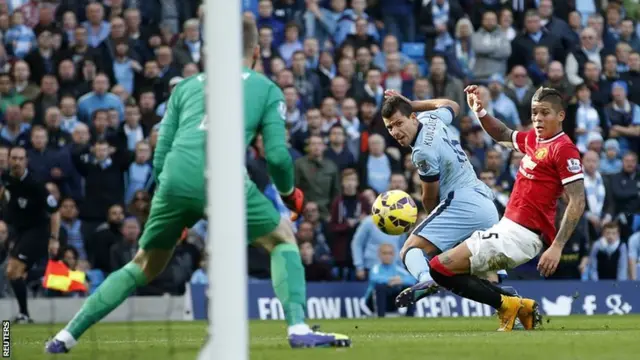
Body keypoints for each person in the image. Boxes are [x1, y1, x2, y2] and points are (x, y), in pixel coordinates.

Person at [46, 18, 350, 353]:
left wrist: (171, 201)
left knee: (143, 263)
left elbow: (160, 152)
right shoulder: (265, 88)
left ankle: (65, 337)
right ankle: (298, 327)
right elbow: (277, 157)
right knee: (282, 239)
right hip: (221, 176)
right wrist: (289, 194)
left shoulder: (186, 87)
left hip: (174, 178)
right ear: (258, 51)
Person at [424, 85, 586, 332]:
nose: (538, 119)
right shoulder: (534, 139)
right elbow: (502, 133)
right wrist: (480, 111)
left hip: (522, 235)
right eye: (534, 114)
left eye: (545, 113)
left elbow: (578, 201)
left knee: (439, 267)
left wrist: (557, 246)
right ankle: (518, 307)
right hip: (506, 227)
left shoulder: (563, 149)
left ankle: (509, 305)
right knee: (444, 268)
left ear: (561, 115)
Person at [379, 90, 504, 309]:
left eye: (399, 123)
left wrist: (432, 224)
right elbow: (451, 104)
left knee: (410, 250)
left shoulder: (422, 153)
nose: (395, 131)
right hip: (485, 203)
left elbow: (429, 197)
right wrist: (412, 103)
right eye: (390, 127)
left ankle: (426, 279)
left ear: (412, 118)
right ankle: (517, 310)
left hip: (462, 204)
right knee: (484, 273)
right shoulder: (432, 118)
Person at [3, 146, 60, 323]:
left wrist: (54, 239)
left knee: (12, 270)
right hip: (19, 232)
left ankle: (24, 314)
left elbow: (55, 211)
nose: (17, 162)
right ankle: (25, 314)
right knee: (14, 273)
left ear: (26, 161)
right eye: (14, 158)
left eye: (21, 159)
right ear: (9, 160)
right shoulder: (6, 179)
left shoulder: (36, 184)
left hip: (37, 232)